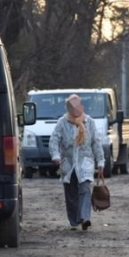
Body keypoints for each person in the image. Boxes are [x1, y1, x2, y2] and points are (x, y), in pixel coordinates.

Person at [49, 94, 105, 231]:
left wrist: (101, 162)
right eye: (75, 106)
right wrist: (55, 155)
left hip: (85, 163)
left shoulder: (89, 122)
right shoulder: (62, 122)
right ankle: (74, 220)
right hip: (68, 164)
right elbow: (54, 140)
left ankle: (85, 217)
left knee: (85, 189)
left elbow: (96, 143)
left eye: (79, 105)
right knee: (71, 194)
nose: (79, 107)